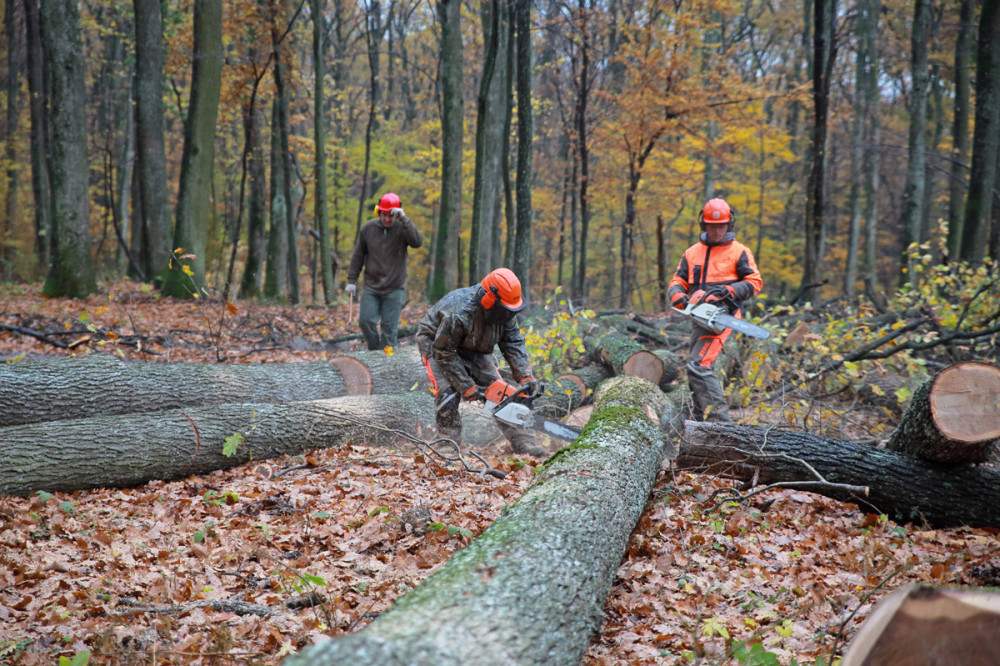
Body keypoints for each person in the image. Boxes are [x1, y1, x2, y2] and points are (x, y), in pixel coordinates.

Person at [417, 268, 546, 457]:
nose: (508, 315)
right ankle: (447, 443)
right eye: (505, 310)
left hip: (475, 347)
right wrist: (466, 386)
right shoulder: (460, 312)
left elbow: (513, 341)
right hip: (438, 344)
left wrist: (524, 374)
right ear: (489, 299)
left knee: (501, 391)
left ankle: (523, 441)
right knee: (448, 391)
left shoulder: (504, 312)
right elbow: (444, 352)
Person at [667, 198, 763, 422]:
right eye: (712, 225)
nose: (717, 230)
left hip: (724, 315)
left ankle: (721, 425)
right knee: (694, 367)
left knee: (699, 365)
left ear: (729, 224)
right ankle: (702, 420)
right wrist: (678, 295)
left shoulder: (739, 252)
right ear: (704, 225)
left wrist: (730, 290)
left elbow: (755, 281)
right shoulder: (692, 252)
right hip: (697, 315)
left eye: (721, 225)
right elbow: (678, 280)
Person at [345, 193, 424, 350]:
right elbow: (358, 256)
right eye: (384, 215)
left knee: (389, 329)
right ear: (378, 212)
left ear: (396, 214)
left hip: (394, 289)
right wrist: (351, 281)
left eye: (391, 215)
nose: (387, 219)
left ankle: (387, 359)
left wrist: (405, 219)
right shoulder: (368, 229)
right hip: (372, 287)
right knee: (366, 322)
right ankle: (376, 354)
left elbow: (417, 242)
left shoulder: (403, 228)